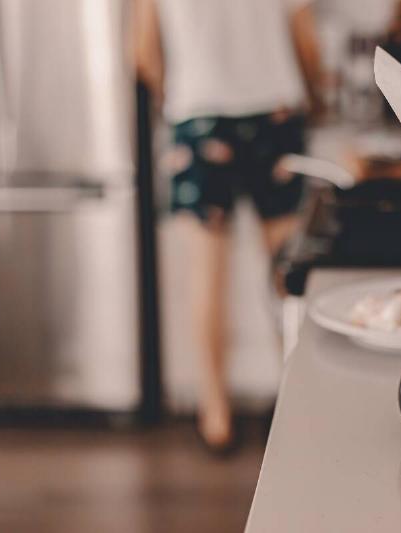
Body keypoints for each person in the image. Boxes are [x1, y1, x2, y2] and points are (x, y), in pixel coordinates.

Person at [134, 0, 322, 450]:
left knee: (207, 273)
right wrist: (316, 92)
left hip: (198, 114)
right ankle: (296, 401)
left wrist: (179, 95)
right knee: (286, 272)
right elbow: (307, 43)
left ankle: (214, 414)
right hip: (275, 111)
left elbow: (141, 52)